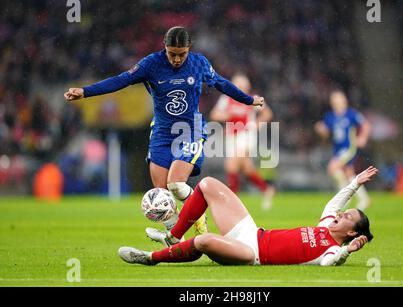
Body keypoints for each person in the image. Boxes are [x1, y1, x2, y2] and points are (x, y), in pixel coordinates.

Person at [64, 26, 264, 234]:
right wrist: (85, 92)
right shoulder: (151, 64)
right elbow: (121, 80)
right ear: (164, 48)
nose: (176, 60)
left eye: (181, 54)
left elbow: (222, 83)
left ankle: (199, 218)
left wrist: (248, 100)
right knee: (160, 195)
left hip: (190, 130)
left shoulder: (199, 63)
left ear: (189, 49)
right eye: (172, 54)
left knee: (176, 184)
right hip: (161, 132)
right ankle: (175, 236)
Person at [118, 166, 377, 266]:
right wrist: (355, 183)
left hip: (249, 253)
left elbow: (329, 264)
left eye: (347, 217)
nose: (340, 214)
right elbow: (334, 203)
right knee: (207, 184)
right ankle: (174, 237)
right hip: (252, 233)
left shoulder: (330, 251)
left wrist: (348, 251)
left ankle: (151, 258)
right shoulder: (326, 225)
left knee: (204, 240)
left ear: (352, 232)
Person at [209, 73, 275, 210]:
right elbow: (214, 115)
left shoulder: (252, 99)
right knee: (246, 168)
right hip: (231, 136)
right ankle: (266, 189)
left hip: (246, 134)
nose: (241, 88)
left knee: (231, 164)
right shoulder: (226, 99)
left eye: (243, 85)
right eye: (238, 85)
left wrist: (257, 124)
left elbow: (267, 113)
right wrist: (226, 115)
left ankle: (232, 202)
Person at [315, 90, 372, 210]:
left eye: (339, 100)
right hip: (337, 149)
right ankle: (364, 199)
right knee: (348, 173)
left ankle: (344, 199)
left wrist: (362, 137)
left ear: (344, 101)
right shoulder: (330, 116)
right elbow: (326, 133)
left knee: (332, 168)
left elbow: (365, 125)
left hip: (348, 148)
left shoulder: (351, 114)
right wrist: (320, 129)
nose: (337, 103)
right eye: (335, 100)